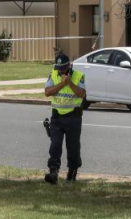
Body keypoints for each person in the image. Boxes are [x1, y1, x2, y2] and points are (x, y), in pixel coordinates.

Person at [43, 53, 86, 184]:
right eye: (58, 68)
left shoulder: (78, 76)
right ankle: (53, 172)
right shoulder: (54, 74)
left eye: (63, 68)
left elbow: (82, 94)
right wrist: (62, 84)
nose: (60, 71)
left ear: (69, 66)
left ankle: (72, 172)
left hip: (73, 117)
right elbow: (47, 92)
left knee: (73, 147)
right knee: (55, 146)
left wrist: (69, 83)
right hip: (57, 117)